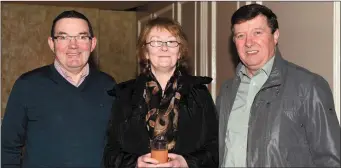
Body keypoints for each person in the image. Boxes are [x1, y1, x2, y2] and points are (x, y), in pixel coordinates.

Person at [216, 3, 341, 167]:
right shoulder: (227, 91)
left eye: (257, 33)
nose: (248, 42)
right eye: (240, 36)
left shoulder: (309, 87)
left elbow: (330, 160)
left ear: (275, 36)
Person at [1, 10, 116, 168]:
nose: (73, 45)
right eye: (63, 37)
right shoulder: (27, 85)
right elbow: (7, 148)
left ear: (93, 43)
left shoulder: (108, 85)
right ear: (51, 43)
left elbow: (117, 145)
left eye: (82, 37)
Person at [103, 17, 218, 168]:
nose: (164, 48)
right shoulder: (124, 95)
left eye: (171, 42)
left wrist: (186, 163)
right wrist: (135, 164)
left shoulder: (200, 94)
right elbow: (110, 152)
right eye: (155, 42)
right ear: (145, 52)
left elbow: (215, 148)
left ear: (180, 52)